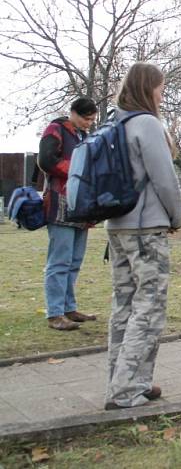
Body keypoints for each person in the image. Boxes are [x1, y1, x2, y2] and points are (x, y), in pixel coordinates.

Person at [104, 63, 181, 410]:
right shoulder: (146, 124)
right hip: (145, 228)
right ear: (147, 88)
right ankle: (127, 390)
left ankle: (124, 380)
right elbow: (165, 178)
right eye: (160, 88)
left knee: (124, 304)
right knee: (149, 306)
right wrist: (176, 217)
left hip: (117, 227)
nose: (161, 95)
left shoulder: (112, 124)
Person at [38, 97, 99, 331]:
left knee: (74, 261)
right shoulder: (55, 130)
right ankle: (55, 313)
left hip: (81, 206)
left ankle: (69, 308)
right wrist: (77, 171)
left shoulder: (84, 136)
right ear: (73, 112)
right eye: (86, 118)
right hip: (60, 201)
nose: (88, 123)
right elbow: (46, 161)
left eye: (92, 120)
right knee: (59, 261)